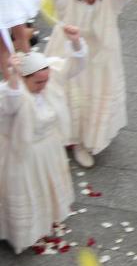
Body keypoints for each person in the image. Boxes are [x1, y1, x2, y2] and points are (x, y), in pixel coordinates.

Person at [42, 0, 137, 167]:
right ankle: (64, 137)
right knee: (66, 95)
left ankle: (84, 142)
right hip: (68, 53)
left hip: (100, 60)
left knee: (92, 99)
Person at [0, 27, 83, 254]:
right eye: (38, 82)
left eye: (45, 80)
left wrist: (75, 43)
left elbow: (73, 67)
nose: (44, 85)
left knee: (46, 185)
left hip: (49, 148)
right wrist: (15, 78)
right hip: (23, 154)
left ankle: (46, 219)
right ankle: (23, 230)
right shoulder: (10, 93)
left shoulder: (50, 80)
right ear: (24, 78)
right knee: (26, 190)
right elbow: (12, 102)